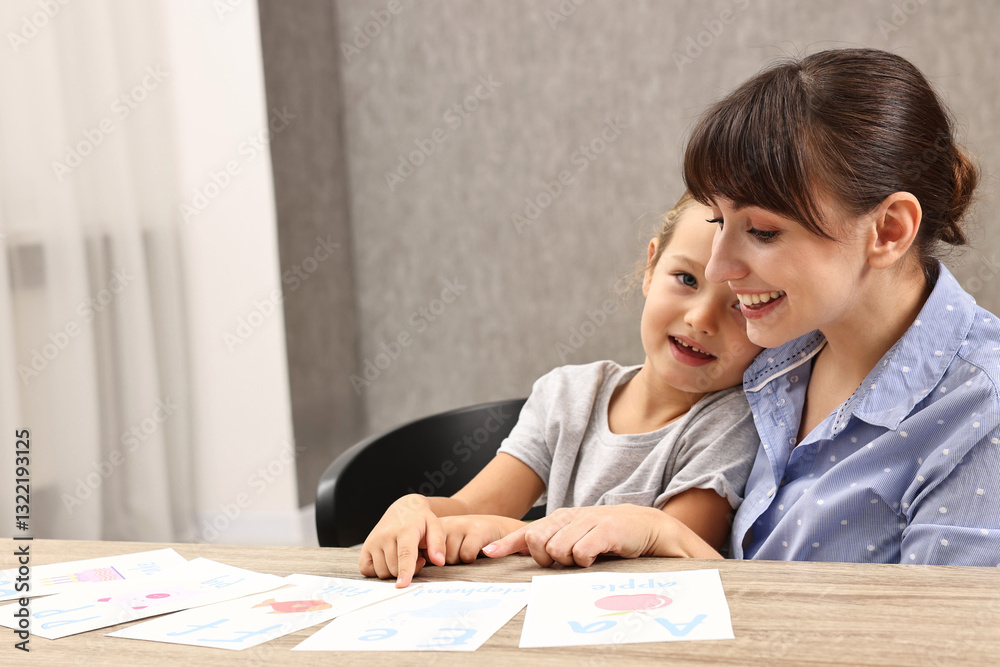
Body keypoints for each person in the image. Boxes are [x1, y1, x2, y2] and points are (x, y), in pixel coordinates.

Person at [488, 47, 1000, 567]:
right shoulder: (773, 349)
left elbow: (939, 644)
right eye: (717, 222)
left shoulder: (982, 412)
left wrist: (670, 538)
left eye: (761, 231)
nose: (719, 269)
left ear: (888, 231)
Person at [359, 193, 763, 587]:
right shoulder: (568, 393)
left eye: (739, 303)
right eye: (686, 279)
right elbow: (468, 509)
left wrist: (496, 530)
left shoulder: (738, 422)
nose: (701, 319)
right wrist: (414, 509)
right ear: (650, 267)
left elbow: (674, 551)